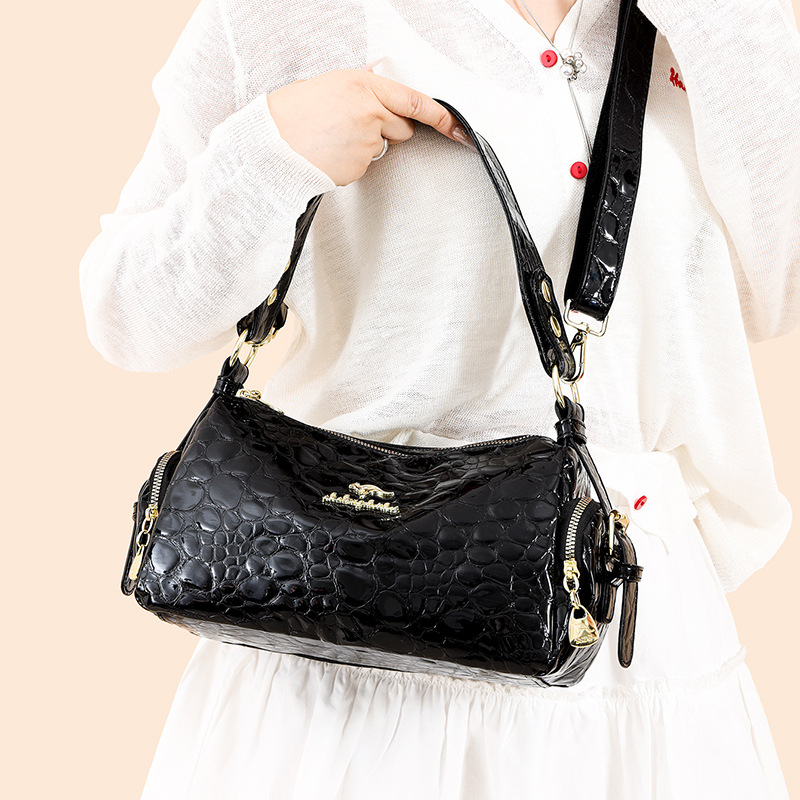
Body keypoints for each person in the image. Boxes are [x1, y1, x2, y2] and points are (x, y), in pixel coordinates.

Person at [79, 0, 800, 796]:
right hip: (338, 641)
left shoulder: (729, 17)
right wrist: (273, 151)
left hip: (636, 643)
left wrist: (727, 28)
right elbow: (128, 317)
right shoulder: (287, 16)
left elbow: (778, 295)